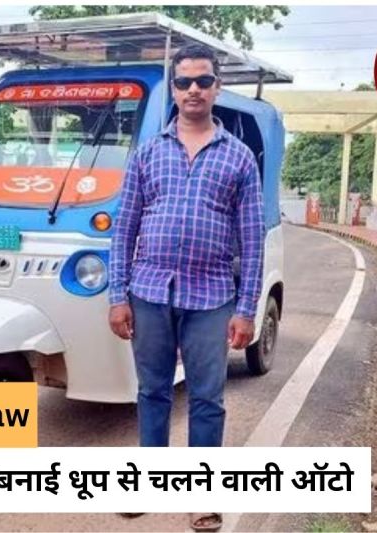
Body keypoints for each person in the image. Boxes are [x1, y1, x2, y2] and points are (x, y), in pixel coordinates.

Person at [108, 44, 265, 533]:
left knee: (207, 399)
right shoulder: (148, 153)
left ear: (218, 87)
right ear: (173, 90)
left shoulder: (239, 157)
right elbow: (124, 228)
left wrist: (246, 309)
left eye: (202, 80)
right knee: (153, 392)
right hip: (149, 290)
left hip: (212, 296)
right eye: (183, 82)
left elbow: (252, 240)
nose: (193, 89)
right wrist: (117, 296)